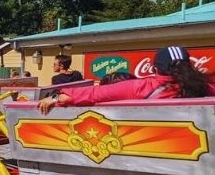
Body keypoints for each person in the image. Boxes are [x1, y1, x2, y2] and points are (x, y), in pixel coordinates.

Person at [38, 46, 215, 115]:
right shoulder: (205, 87)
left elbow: (95, 93)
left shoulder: (144, 86)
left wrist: (54, 98)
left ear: (156, 68)